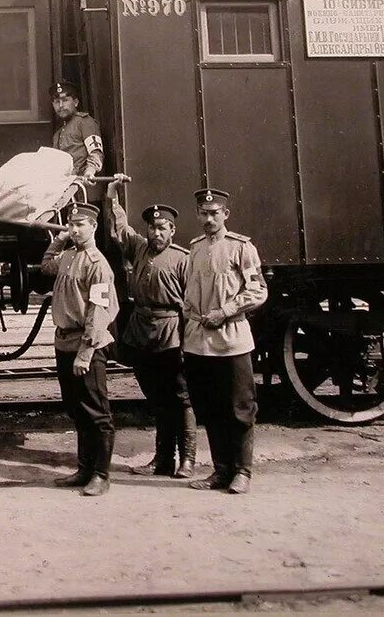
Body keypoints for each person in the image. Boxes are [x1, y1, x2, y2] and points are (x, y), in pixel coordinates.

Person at [104, 176, 195, 478]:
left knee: (180, 398)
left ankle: (188, 460)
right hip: (141, 331)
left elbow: (191, 306)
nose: (156, 233)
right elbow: (120, 228)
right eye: (152, 228)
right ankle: (162, 460)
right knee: (156, 398)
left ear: (172, 230)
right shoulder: (140, 249)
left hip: (171, 333)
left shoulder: (183, 260)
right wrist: (112, 198)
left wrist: (186, 342)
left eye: (162, 228)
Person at [181, 188, 267, 495]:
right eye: (203, 213)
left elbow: (258, 292)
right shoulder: (194, 248)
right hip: (199, 343)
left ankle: (242, 472)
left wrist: (225, 312)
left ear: (225, 214)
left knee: (240, 408)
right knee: (211, 408)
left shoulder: (241, 248)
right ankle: (220, 471)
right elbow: (189, 293)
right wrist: (190, 310)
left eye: (214, 213)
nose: (208, 218)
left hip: (232, 342)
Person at [40, 202, 119, 496]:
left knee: (97, 412)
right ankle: (84, 469)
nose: (74, 230)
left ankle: (101, 474)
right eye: (71, 225)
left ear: (93, 227)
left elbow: (98, 313)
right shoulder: (69, 256)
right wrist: (58, 239)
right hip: (64, 342)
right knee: (77, 410)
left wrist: (85, 354)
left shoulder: (98, 265)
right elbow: (47, 266)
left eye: (80, 225)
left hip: (87, 343)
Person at [50, 80, 103, 178]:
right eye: (57, 102)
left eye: (65, 100)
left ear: (75, 102)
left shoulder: (85, 122)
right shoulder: (57, 134)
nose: (61, 105)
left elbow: (96, 152)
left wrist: (90, 172)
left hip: (83, 183)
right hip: (64, 184)